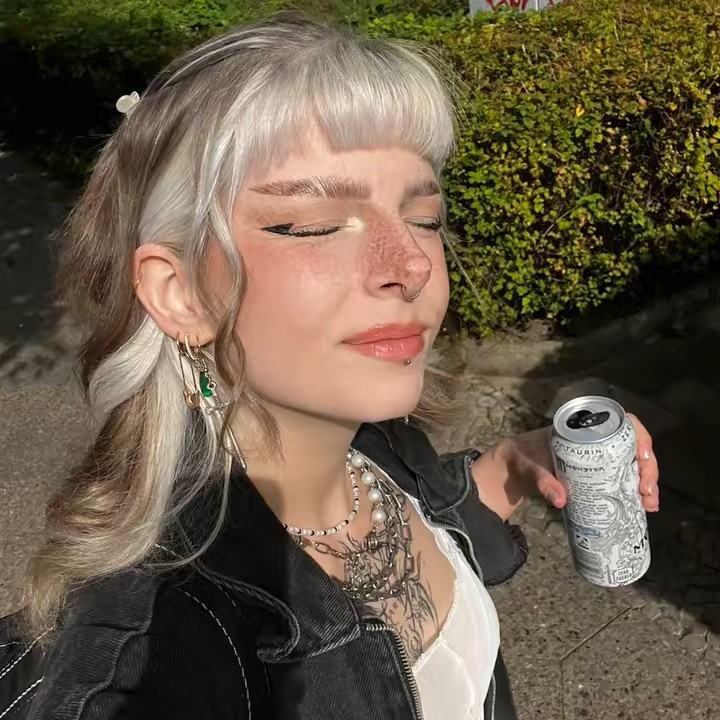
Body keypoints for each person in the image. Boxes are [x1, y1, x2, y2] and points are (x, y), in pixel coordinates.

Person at [0, 13, 660, 720]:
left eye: (425, 219)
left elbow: (425, 511)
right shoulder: (169, 649)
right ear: (181, 292)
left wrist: (509, 469)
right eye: (314, 225)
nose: (410, 264)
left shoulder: (370, 442)